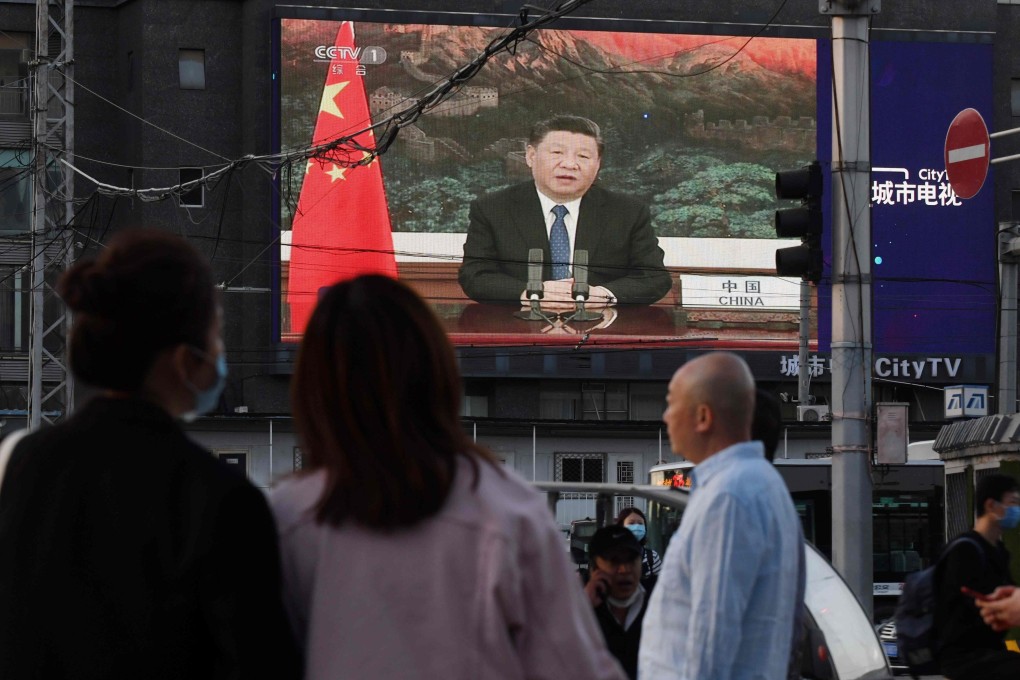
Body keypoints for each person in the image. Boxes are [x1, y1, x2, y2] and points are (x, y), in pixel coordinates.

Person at [268, 275, 625, 680]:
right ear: (436, 369)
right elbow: (572, 666)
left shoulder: (288, 517)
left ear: (313, 385)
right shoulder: (508, 509)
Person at [0, 229, 300, 680]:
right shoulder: (222, 499)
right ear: (184, 360)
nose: (220, 357)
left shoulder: (21, 465)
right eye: (216, 338)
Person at [638, 352, 802, 680]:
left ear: (702, 416)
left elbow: (710, 639)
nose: (666, 416)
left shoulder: (729, 496)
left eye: (672, 403)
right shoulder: (761, 484)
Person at [458, 115, 672, 311]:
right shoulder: (493, 209)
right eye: (557, 153)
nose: (570, 164)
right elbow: (475, 276)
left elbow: (653, 278)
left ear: (598, 164)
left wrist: (603, 296)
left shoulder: (627, 212)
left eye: (583, 156)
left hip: (599, 329)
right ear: (531, 156)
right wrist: (531, 294)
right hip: (520, 328)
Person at [933, 473, 1020, 680]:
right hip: (963, 657)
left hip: (990, 651)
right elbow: (958, 608)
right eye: (1013, 503)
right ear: (991, 505)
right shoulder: (964, 550)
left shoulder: (998, 550)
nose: (1016, 510)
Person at [583, 525, 651, 680]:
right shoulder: (579, 607)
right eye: (614, 561)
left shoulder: (656, 603)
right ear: (594, 569)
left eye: (631, 560)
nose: (624, 569)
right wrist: (584, 608)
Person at [615, 506, 661, 591]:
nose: (636, 527)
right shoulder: (611, 555)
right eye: (631, 523)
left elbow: (660, 588)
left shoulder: (652, 557)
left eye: (640, 523)